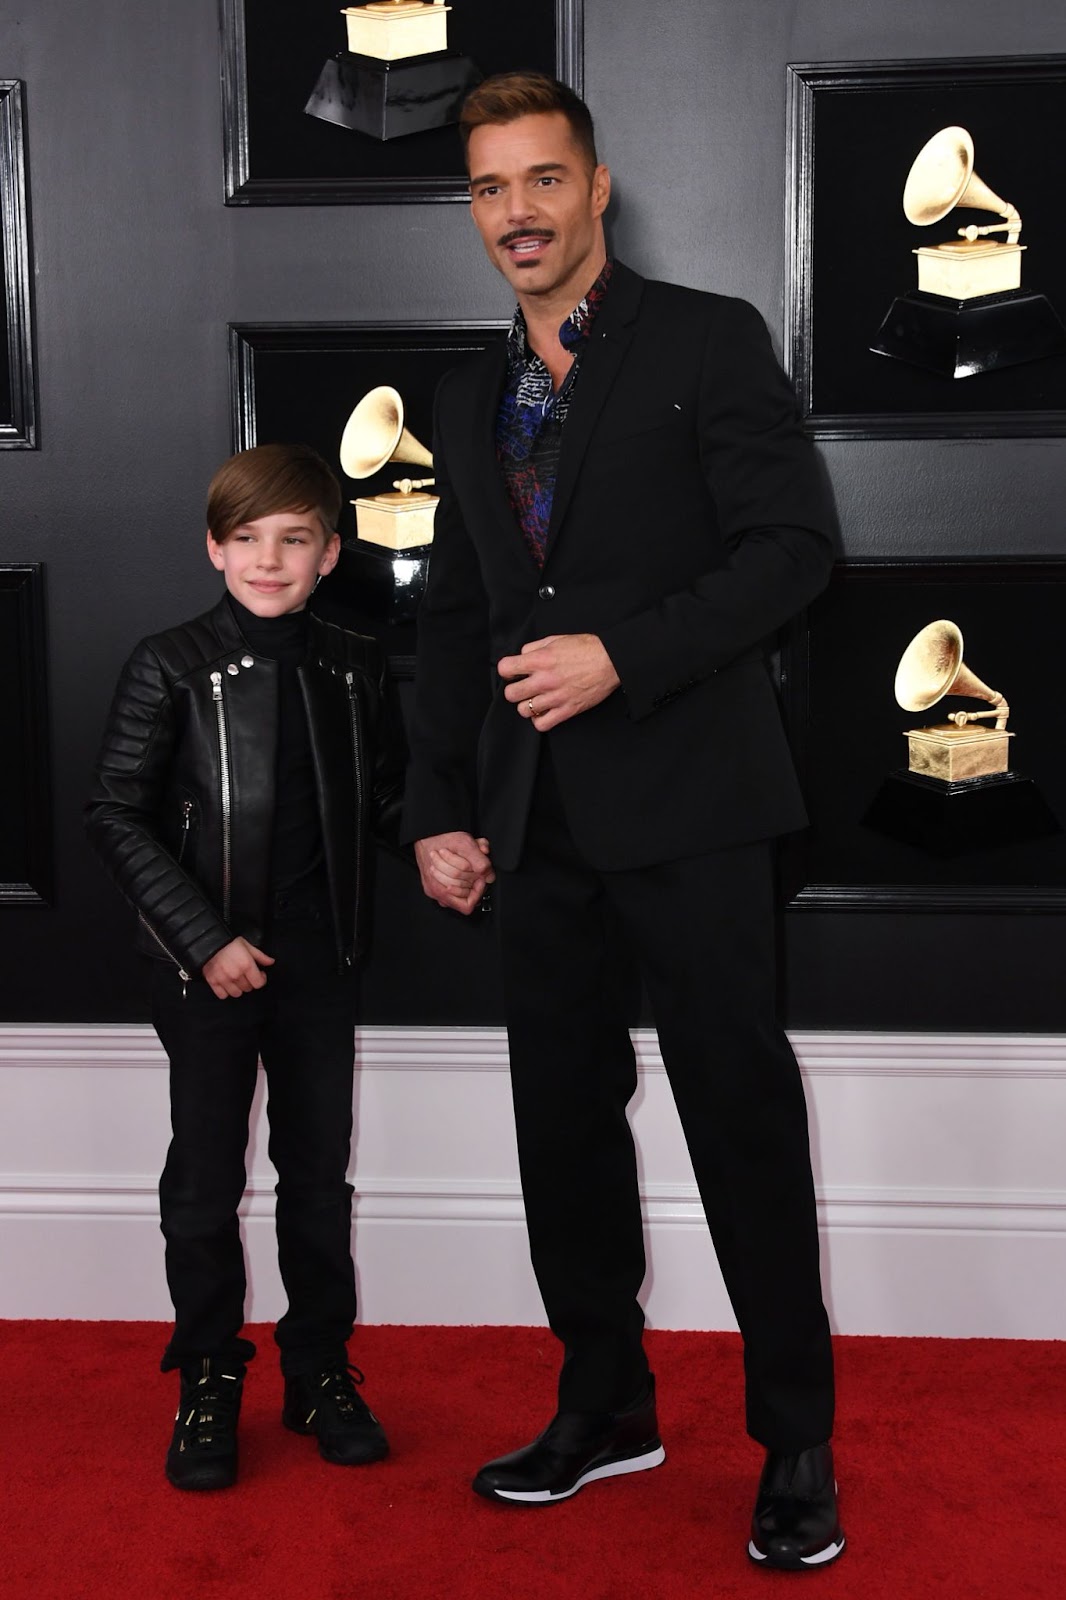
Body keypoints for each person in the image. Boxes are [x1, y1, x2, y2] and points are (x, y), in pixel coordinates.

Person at [402, 73, 844, 1569]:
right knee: (559, 1134)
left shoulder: (708, 340)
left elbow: (794, 551)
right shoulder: (467, 398)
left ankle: (793, 1443)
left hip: (699, 807)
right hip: (536, 826)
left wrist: (626, 655)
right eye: (487, 189)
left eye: (541, 181)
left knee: (738, 1114)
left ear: (596, 188)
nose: (515, 213)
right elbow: (455, 621)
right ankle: (604, 1405)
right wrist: (438, 808)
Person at [85, 443, 438, 1491]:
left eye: (293, 540)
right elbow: (114, 810)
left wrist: (452, 842)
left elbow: (379, 802)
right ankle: (205, 1375)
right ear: (214, 547)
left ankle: (320, 1368)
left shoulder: (352, 660)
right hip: (204, 968)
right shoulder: (168, 662)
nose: (269, 560)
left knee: (317, 1180)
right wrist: (205, 939)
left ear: (330, 554)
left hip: (321, 962)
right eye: (247, 539)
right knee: (203, 1181)